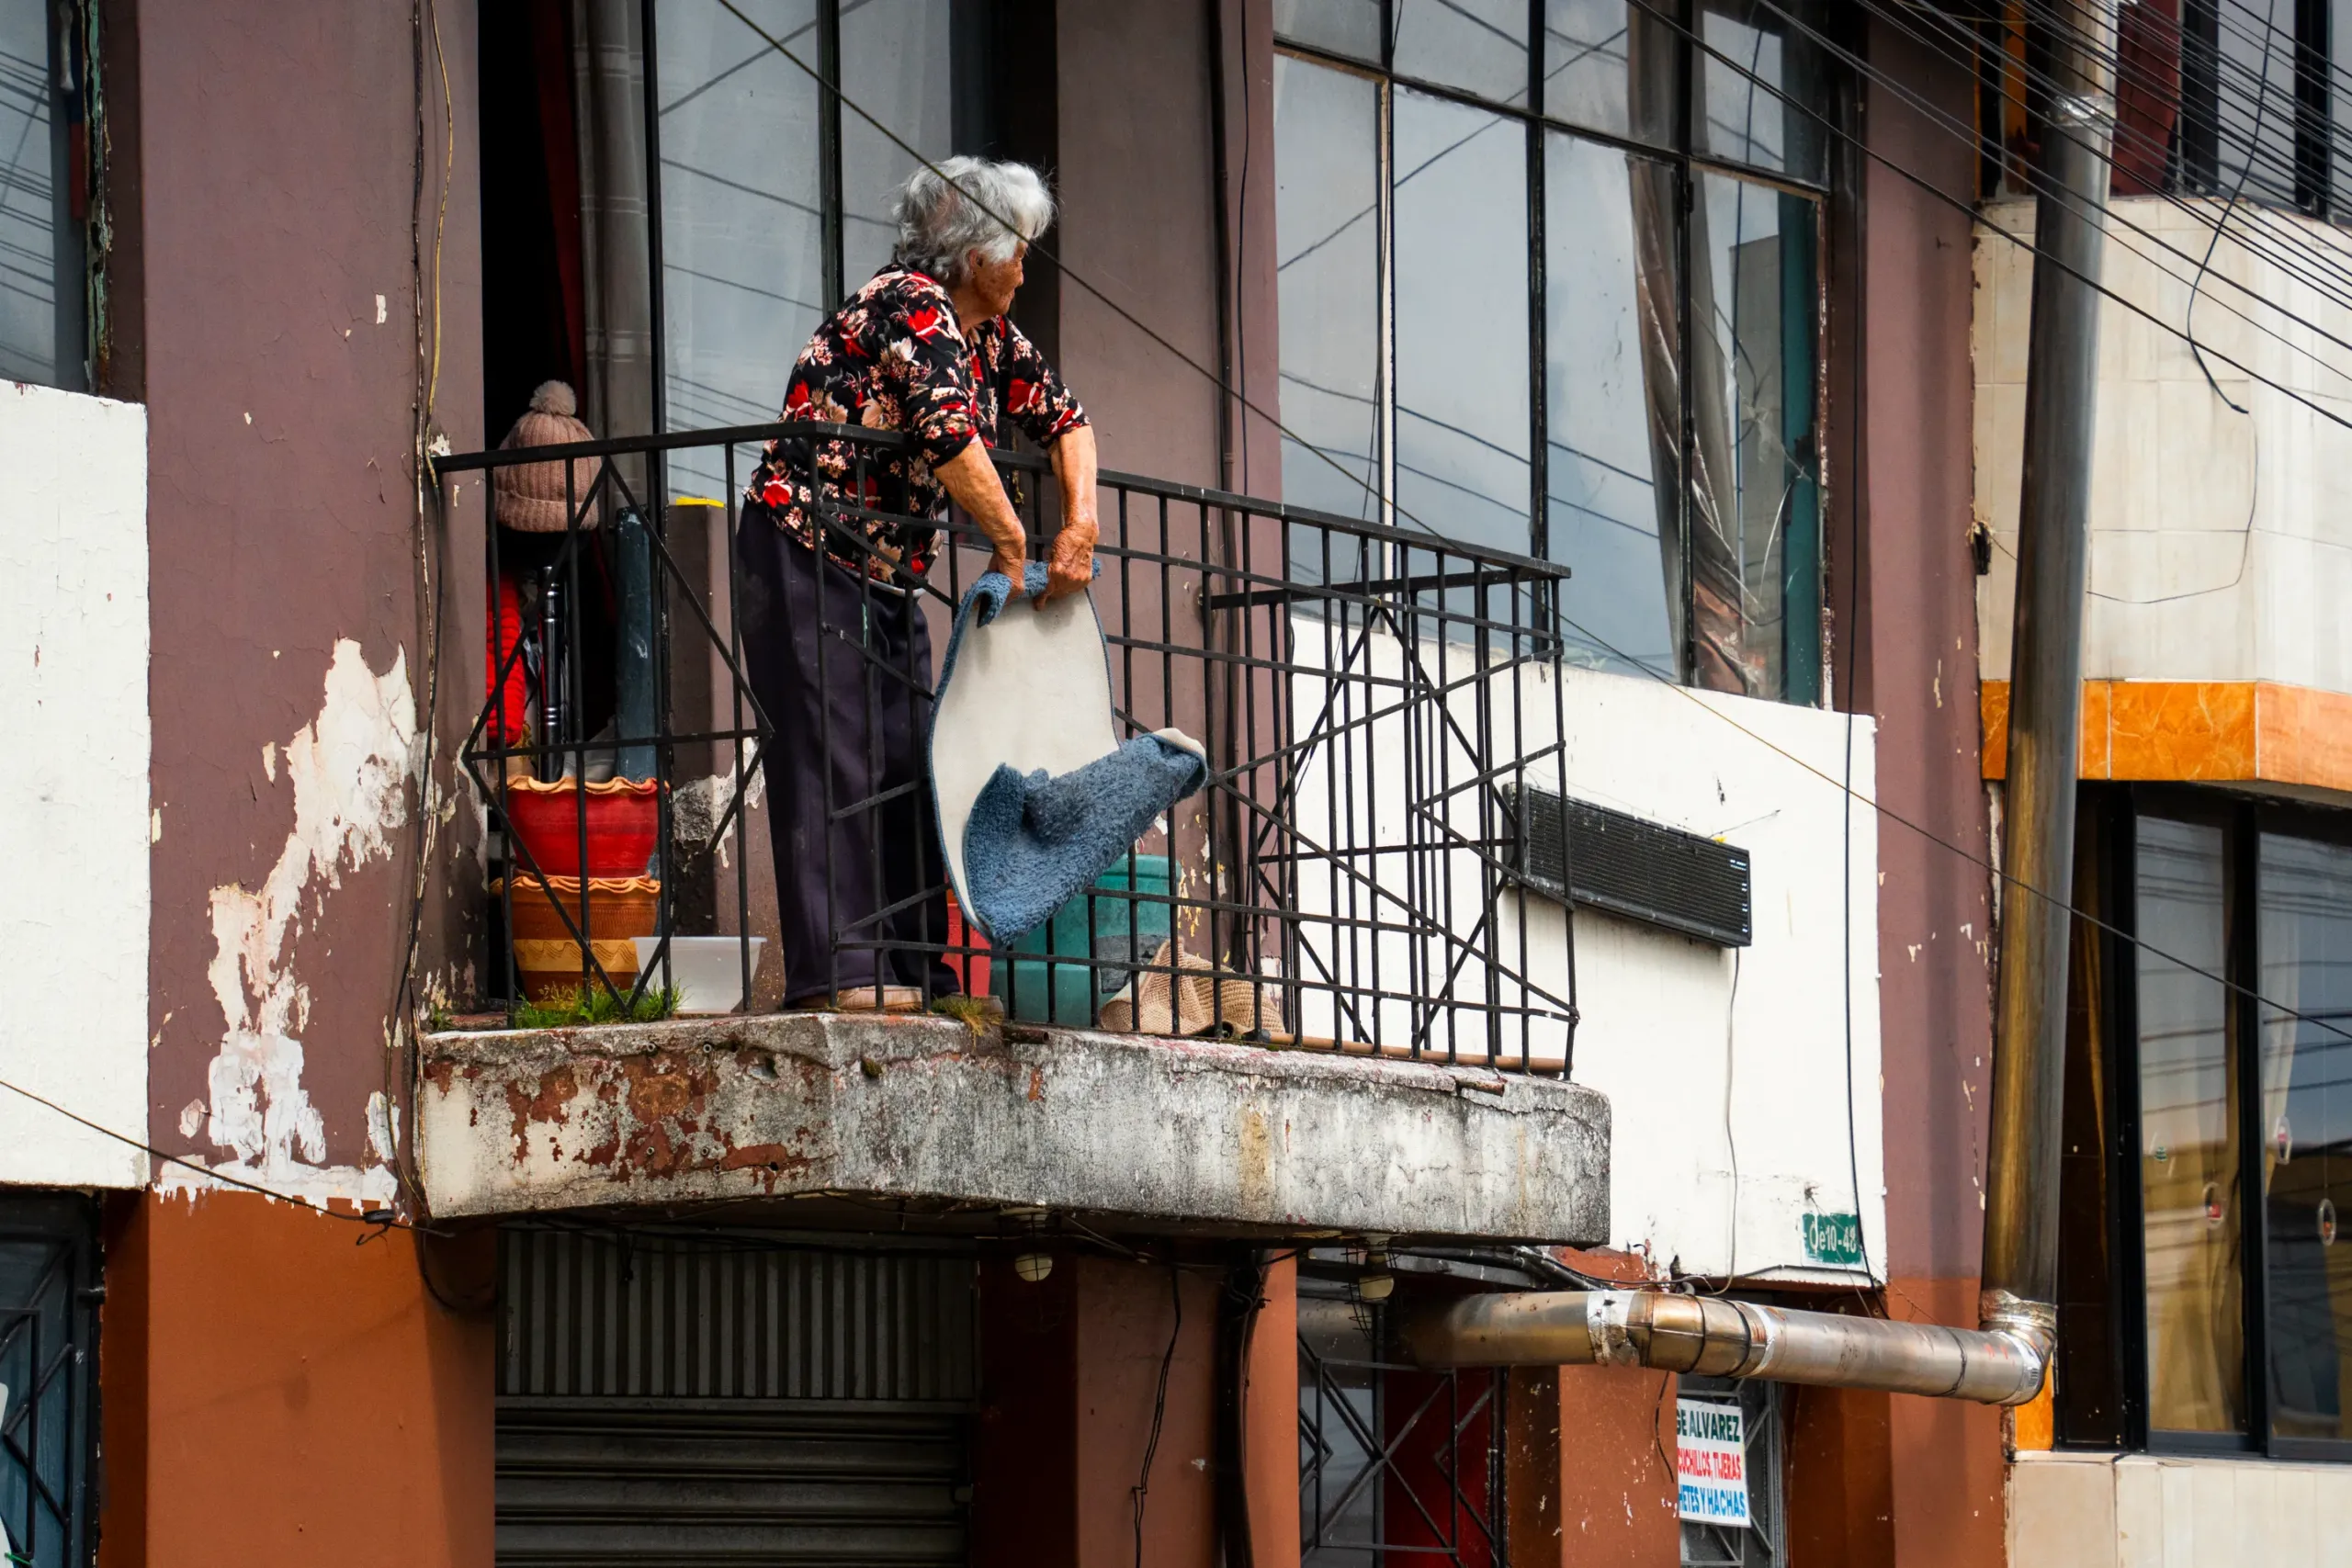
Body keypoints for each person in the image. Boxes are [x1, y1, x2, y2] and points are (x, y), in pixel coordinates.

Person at [738, 157, 1099, 1012]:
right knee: (834, 753)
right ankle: (845, 970)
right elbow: (949, 435)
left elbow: (1065, 420)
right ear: (976, 254)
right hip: (805, 546)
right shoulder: (910, 304)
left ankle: (915, 967)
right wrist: (1014, 545)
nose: (1024, 267)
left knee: (909, 760)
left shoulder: (986, 334)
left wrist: (1079, 522)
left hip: (887, 569)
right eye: (1018, 250)